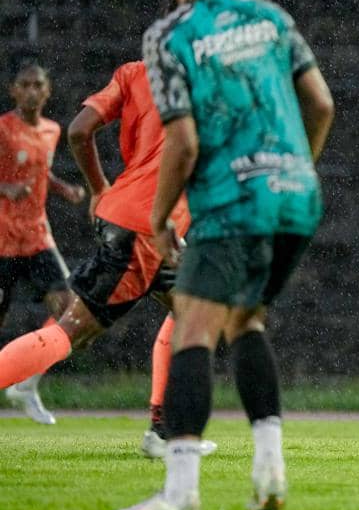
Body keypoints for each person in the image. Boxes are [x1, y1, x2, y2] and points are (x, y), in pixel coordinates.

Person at [109, 0, 335, 510]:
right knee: (245, 320)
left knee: (193, 328)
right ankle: (269, 469)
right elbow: (320, 103)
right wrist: (297, 168)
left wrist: (159, 218)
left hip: (231, 201)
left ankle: (180, 492)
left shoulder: (167, 36)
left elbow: (182, 143)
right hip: (296, 195)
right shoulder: (270, 17)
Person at [0, 60, 213, 458]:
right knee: (72, 332)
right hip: (145, 228)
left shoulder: (134, 73)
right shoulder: (212, 82)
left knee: (193, 312)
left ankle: (163, 431)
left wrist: (99, 188)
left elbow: (80, 131)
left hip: (133, 218)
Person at [0, 62, 86, 424]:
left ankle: (28, 383)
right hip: (3, 239)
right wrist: (5, 188)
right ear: (13, 91)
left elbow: (39, 170)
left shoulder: (53, 130)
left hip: (37, 236)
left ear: (48, 91)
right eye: (25, 85)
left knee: (72, 310)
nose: (32, 91)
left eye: (38, 85)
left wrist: (62, 188)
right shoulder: (3, 129)